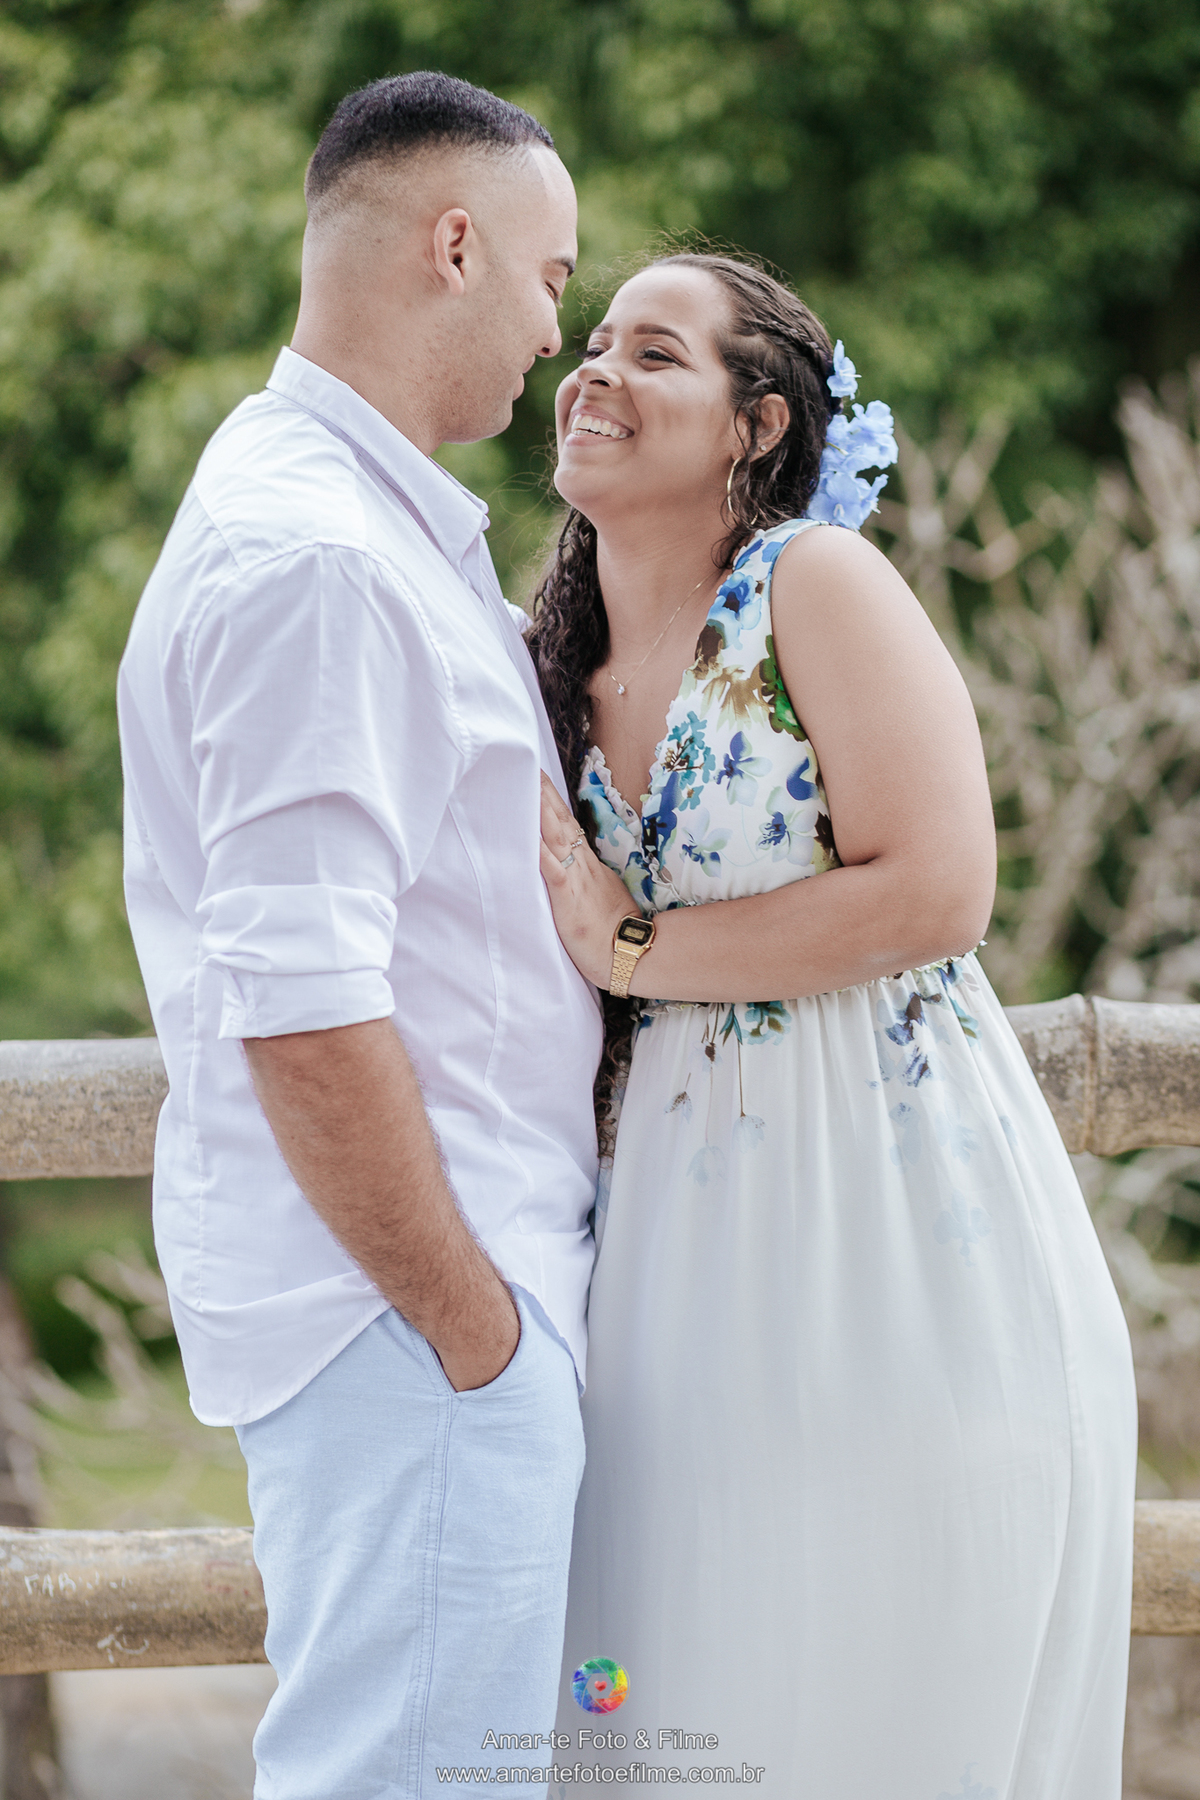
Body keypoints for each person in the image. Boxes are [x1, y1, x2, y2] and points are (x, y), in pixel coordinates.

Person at [530, 253, 1137, 1798]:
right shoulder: (551, 661)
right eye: (592, 344)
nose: (593, 372)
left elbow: (943, 885)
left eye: (653, 353)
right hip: (675, 1241)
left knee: (879, 1663)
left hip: (896, 1212)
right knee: (680, 1653)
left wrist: (634, 939)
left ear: (757, 423)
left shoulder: (814, 583)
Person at [117, 73, 601, 1796]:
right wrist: (475, 1334)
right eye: (556, 278)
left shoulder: (365, 528)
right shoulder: (315, 560)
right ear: (453, 244)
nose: (563, 331)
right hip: (413, 1327)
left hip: (434, 1316)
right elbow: (300, 996)